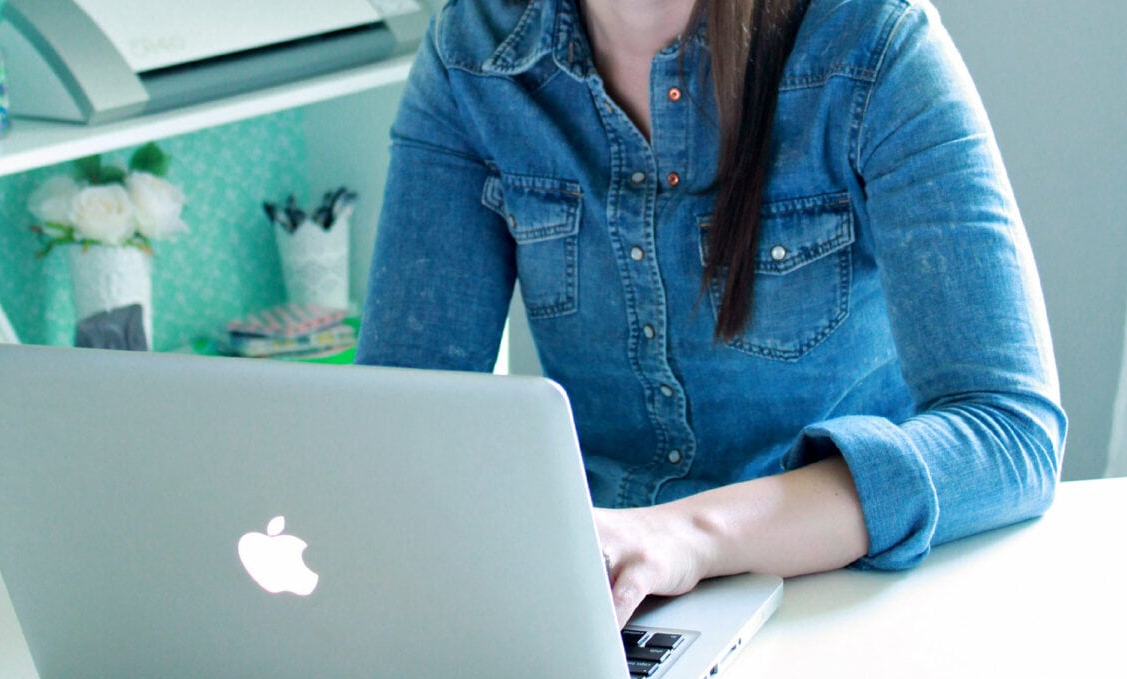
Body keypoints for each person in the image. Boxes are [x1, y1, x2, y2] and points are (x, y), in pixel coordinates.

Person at [356, 0, 1067, 626]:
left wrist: (683, 536)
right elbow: (399, 430)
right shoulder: (472, 55)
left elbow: (1011, 434)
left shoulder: (872, 44)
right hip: (606, 598)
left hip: (841, 597)